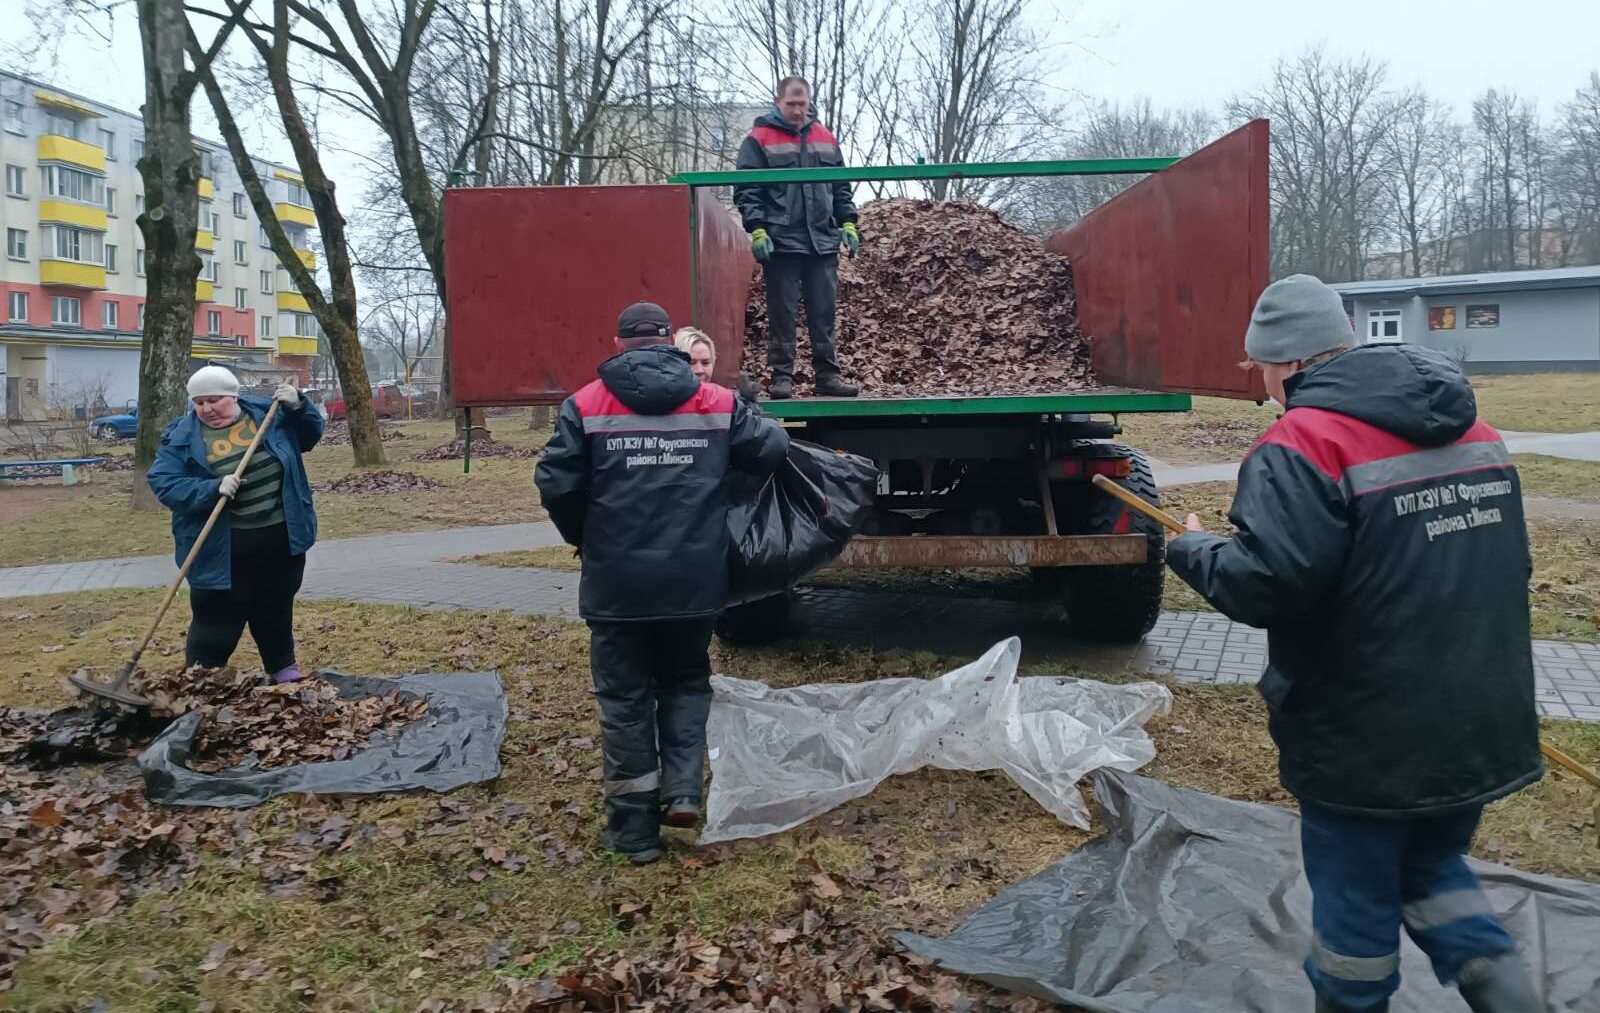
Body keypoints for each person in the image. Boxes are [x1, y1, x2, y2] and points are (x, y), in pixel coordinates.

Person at [1165, 275, 1543, 1013]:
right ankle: (1508, 989)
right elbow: (1513, 567)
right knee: (1431, 860)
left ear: (1289, 362)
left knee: (1356, 903)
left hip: (1367, 735)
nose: (1266, 387)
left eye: (1262, 370)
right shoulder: (1478, 431)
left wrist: (1194, 549)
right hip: (1481, 716)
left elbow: (1268, 582)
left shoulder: (1304, 441)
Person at [535, 301, 790, 864]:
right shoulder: (715, 401)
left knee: (625, 699)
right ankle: (681, 791)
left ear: (620, 343)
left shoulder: (585, 404)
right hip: (694, 582)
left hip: (616, 585)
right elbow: (771, 448)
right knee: (685, 683)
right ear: (668, 344)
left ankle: (632, 832)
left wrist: (587, 536)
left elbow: (556, 484)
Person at [147, 365, 325, 684]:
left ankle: (283, 671)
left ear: (233, 396)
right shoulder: (182, 436)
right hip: (220, 548)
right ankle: (201, 682)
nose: (207, 409)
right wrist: (210, 488)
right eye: (199, 403)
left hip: (281, 538)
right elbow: (164, 482)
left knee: (275, 608)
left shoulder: (269, 414)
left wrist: (300, 406)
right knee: (216, 616)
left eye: (215, 400)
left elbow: (310, 436)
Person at [733, 75, 860, 400]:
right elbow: (747, 190)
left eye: (802, 103)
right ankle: (782, 378)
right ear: (778, 101)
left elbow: (840, 186)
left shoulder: (825, 138)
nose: (797, 109)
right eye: (791, 103)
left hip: (822, 239)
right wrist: (757, 229)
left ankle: (827, 377)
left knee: (823, 312)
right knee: (782, 312)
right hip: (782, 240)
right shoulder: (759, 139)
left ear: (809, 101)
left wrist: (848, 223)